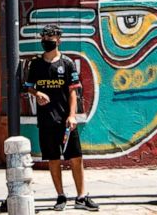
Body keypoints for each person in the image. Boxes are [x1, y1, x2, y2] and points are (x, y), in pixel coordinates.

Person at [24, 24, 99, 211]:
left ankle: (82, 197)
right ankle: (60, 196)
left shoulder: (67, 63)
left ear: (58, 40)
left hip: (66, 121)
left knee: (75, 157)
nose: (46, 41)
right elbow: (28, 86)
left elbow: (73, 92)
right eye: (44, 37)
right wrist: (37, 93)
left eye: (50, 38)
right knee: (53, 159)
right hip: (46, 119)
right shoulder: (36, 64)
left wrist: (72, 116)